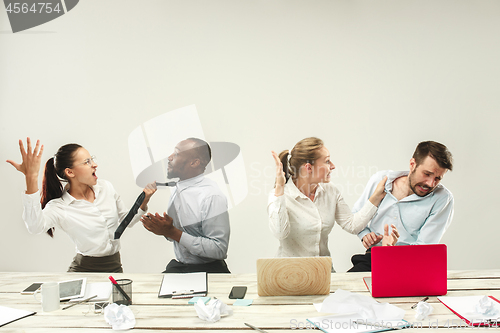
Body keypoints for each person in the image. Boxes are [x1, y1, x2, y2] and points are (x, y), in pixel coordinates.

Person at [7, 138, 156, 273]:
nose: (95, 165)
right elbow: (34, 227)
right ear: (70, 172)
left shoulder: (106, 188)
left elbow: (126, 221)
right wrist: (31, 177)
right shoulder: (60, 207)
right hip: (83, 270)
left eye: (92, 160)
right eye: (87, 162)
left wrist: (145, 199)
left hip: (115, 267)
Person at [268, 137, 397, 271]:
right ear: (308, 168)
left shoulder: (330, 191)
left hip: (324, 273)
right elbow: (280, 233)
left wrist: (376, 197)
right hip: (291, 274)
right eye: (327, 161)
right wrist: (279, 188)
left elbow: (352, 225)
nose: (333, 166)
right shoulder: (279, 196)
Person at [348, 140, 454, 272]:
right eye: (427, 174)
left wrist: (393, 251)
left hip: (410, 265)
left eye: (438, 178)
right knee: (343, 290)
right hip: (374, 259)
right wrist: (365, 235)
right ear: (412, 164)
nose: (431, 183)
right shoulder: (381, 180)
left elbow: (423, 249)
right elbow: (357, 213)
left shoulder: (442, 199)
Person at [141, 138, 231, 273]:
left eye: (176, 154)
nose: (169, 157)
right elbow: (178, 235)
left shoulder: (212, 196)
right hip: (182, 268)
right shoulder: (178, 189)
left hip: (210, 273)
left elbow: (219, 249)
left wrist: (172, 232)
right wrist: (164, 229)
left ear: (194, 162)